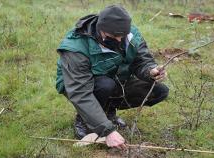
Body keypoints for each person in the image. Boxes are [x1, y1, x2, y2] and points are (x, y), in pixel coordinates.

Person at [55, 5, 169, 149]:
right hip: (80, 86)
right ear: (100, 29)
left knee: (159, 91)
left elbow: (141, 60)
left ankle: (108, 112)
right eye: (114, 37)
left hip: (116, 80)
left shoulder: (130, 34)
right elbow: (80, 92)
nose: (119, 39)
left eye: (122, 36)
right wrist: (107, 131)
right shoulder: (76, 47)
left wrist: (150, 70)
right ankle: (84, 119)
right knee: (105, 85)